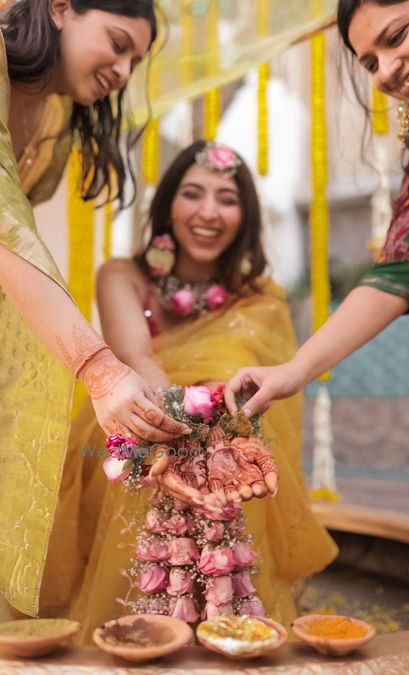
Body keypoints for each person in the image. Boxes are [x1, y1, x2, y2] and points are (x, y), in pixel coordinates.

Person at [39, 140, 337, 642]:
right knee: (147, 460)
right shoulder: (123, 275)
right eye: (193, 193)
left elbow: (256, 391)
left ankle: (233, 624)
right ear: (167, 205)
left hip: (229, 433)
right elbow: (137, 357)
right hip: (141, 422)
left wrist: (213, 430)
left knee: (236, 456)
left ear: (245, 216)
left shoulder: (260, 296)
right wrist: (181, 424)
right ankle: (141, 632)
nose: (208, 212)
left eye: (227, 198)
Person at [0, 0, 192, 619]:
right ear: (59, 9)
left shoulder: (58, 112)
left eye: (135, 58)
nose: (123, 70)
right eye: (116, 42)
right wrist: (98, 367)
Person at [225, 0, 409, 417]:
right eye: (369, 63)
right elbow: (397, 270)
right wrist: (293, 370)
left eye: (396, 36)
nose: (385, 72)